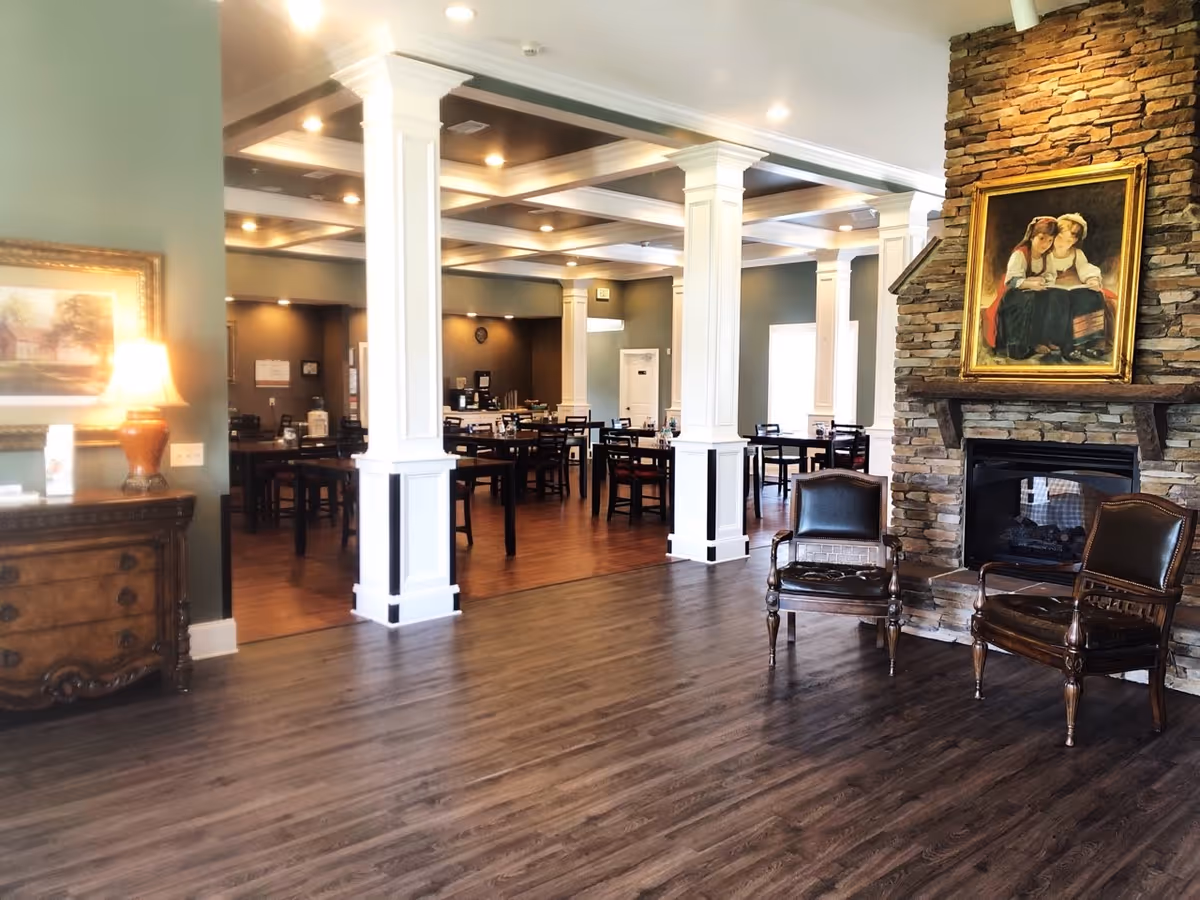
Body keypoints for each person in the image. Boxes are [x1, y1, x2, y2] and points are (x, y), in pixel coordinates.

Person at [984, 216, 1059, 360]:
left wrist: (1042, 280)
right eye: (1042, 238)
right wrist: (1030, 283)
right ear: (1032, 236)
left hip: (1034, 292)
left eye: (1050, 240)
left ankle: (1039, 340)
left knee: (1053, 296)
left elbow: (1051, 276)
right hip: (1012, 296)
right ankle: (1018, 346)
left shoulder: (1047, 256)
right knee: (1028, 299)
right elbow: (1011, 282)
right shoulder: (1020, 254)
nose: (1045, 244)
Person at [1042, 212, 1110, 361]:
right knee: (1059, 300)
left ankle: (1087, 343)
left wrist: (1092, 279)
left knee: (1093, 297)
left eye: (1068, 240)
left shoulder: (1077, 253)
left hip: (1074, 288)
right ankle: (1061, 343)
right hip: (1052, 290)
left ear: (1075, 241)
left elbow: (1085, 268)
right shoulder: (1046, 253)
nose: (1062, 243)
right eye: (1060, 238)